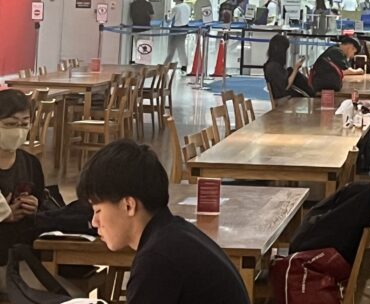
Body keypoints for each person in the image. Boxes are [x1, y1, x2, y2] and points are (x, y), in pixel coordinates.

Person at [77, 140, 250, 304]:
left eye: (98, 210)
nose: (94, 222)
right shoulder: (174, 234)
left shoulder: (157, 260)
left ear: (128, 205)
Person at [0, 89, 44, 268]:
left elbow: (42, 206)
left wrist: (33, 207)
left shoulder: (31, 163)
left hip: (25, 249)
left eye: (24, 123)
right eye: (10, 124)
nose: (18, 131)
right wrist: (5, 215)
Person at [263, 34, 313, 99]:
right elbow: (286, 86)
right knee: (292, 72)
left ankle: (313, 90)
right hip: (284, 97)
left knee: (290, 70)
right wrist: (296, 68)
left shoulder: (273, 65)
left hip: (285, 95)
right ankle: (313, 90)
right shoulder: (273, 67)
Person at [164, 0, 190, 72]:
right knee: (181, 48)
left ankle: (166, 64)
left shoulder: (176, 8)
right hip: (185, 28)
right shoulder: (187, 6)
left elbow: (169, 20)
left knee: (171, 48)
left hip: (176, 29)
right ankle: (184, 65)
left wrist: (166, 15)